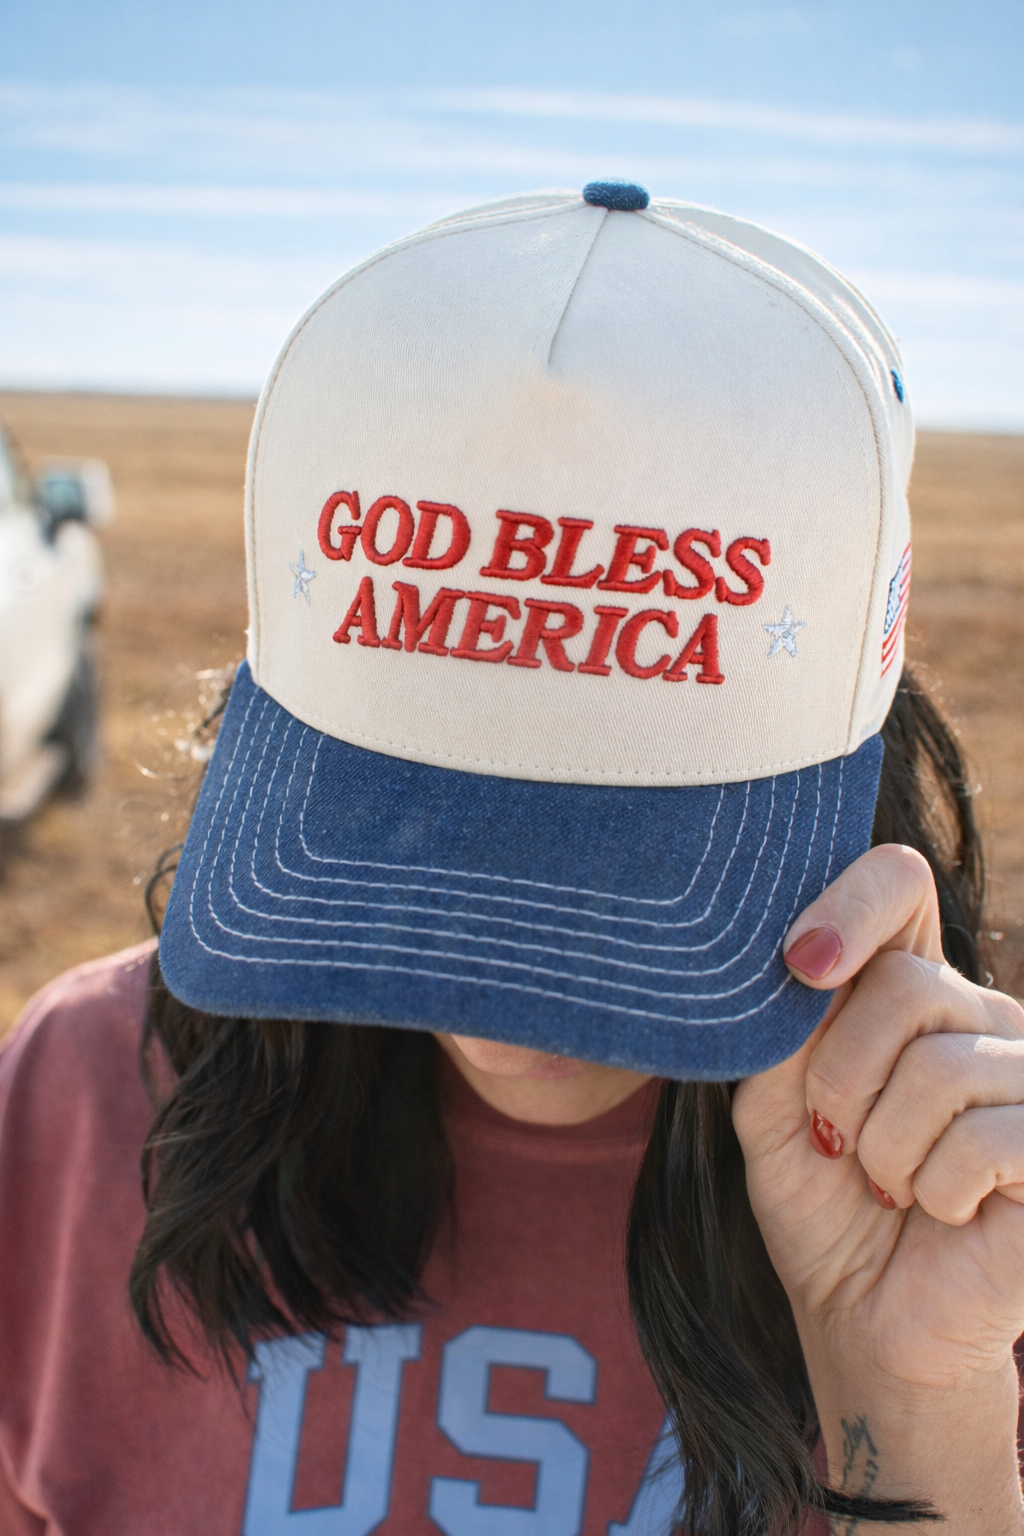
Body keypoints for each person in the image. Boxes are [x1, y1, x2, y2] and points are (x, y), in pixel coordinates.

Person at [1, 183, 1023, 1536]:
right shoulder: (86, 1096)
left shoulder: (968, 1198)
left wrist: (912, 1395)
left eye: (618, 851)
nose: (498, 975)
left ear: (860, 735)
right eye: (409, 835)